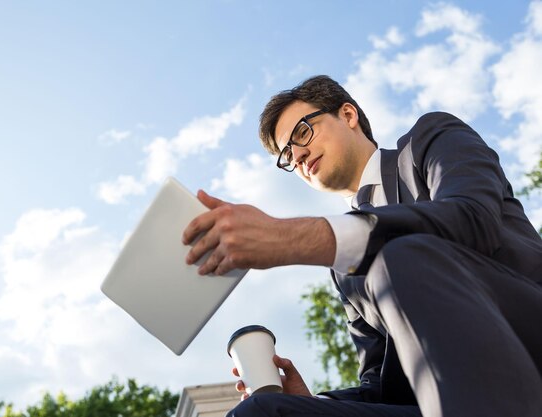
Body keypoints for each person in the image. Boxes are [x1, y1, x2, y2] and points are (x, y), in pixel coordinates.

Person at [181, 75, 542, 417]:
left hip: (524, 338)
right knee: (262, 412)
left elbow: (472, 219)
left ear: (348, 114)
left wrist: (291, 237)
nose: (298, 156)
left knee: (399, 255)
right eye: (288, 155)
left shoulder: (428, 140)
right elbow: (382, 385)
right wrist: (314, 401)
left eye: (302, 133)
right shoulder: (344, 271)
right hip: (442, 399)